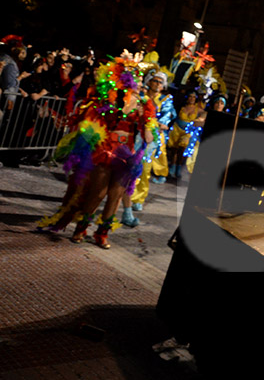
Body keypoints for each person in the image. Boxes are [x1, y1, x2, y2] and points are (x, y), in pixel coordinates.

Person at [36, 56, 157, 249]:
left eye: (140, 76)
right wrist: (124, 107)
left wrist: (145, 120)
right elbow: (100, 119)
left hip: (128, 154)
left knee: (115, 196)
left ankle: (102, 233)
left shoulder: (146, 103)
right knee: (98, 193)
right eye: (134, 75)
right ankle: (81, 228)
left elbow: (149, 137)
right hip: (107, 149)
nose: (139, 80)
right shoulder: (111, 96)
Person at [122, 71, 175, 226]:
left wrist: (156, 123)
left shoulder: (166, 100)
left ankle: (138, 198)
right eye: (155, 81)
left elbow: (166, 118)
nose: (157, 84)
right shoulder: (141, 96)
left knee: (144, 169)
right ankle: (126, 196)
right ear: (149, 82)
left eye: (160, 82)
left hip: (153, 137)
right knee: (130, 166)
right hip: (136, 134)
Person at [167, 92, 203, 179]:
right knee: (174, 150)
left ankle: (178, 169)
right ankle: (172, 168)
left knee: (182, 149)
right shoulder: (181, 106)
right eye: (190, 96)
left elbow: (204, 115)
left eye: (194, 97)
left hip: (187, 132)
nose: (191, 98)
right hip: (176, 129)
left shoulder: (198, 109)